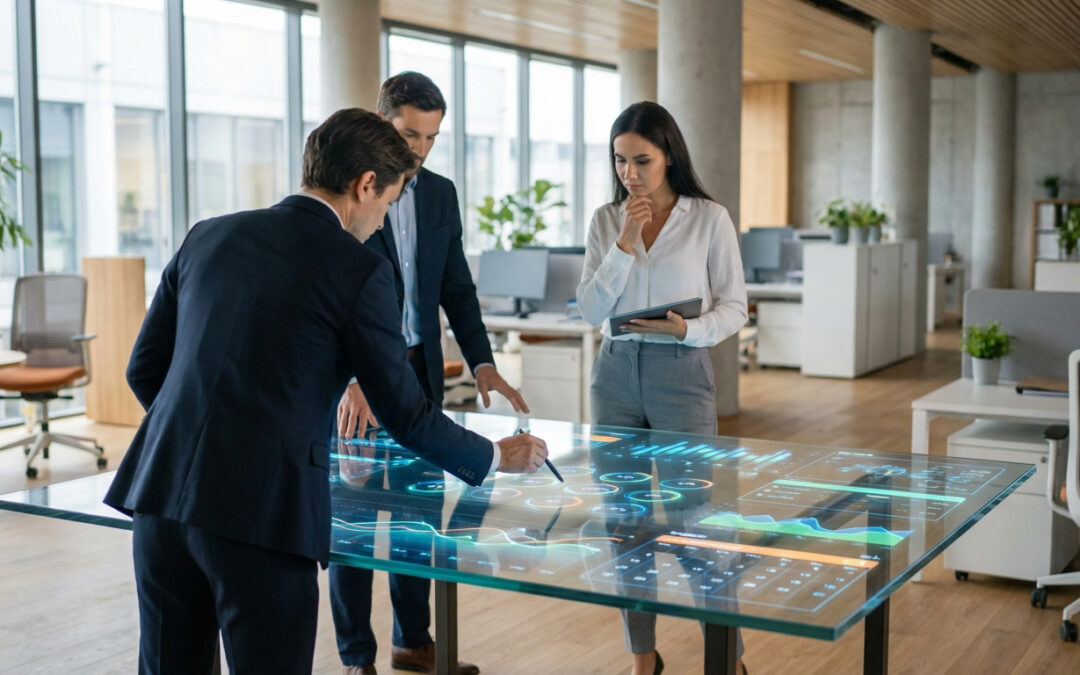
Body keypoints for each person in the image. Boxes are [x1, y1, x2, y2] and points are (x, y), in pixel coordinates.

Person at [103, 108, 549, 675]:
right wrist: (494, 455)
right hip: (263, 516)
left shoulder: (209, 234)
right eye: (387, 203)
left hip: (160, 500)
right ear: (366, 184)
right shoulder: (358, 269)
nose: (383, 221)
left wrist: (207, 439)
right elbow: (406, 414)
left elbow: (144, 370)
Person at [330, 72, 529, 675]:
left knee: (419, 514)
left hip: (419, 372)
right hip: (360, 382)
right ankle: (355, 660)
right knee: (357, 525)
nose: (418, 150)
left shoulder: (440, 194)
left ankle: (413, 643)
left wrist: (483, 361)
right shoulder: (350, 192)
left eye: (431, 138)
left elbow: (456, 288)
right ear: (381, 121)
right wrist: (353, 379)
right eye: (408, 134)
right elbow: (330, 299)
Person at [576, 101, 748, 675]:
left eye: (642, 160)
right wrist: (624, 242)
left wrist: (689, 329)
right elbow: (591, 309)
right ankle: (643, 658)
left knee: (694, 522)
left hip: (682, 373)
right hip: (616, 373)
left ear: (669, 155)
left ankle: (726, 660)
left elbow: (735, 308)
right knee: (623, 522)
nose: (630, 172)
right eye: (621, 160)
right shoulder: (606, 220)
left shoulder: (708, 218)